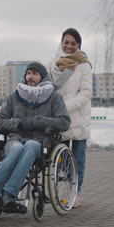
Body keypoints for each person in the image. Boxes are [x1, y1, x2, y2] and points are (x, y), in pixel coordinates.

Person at [0, 62, 71, 213]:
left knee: (30, 145)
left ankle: (9, 194)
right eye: (28, 73)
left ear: (42, 77)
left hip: (40, 142)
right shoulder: (15, 96)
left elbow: (64, 122)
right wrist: (19, 124)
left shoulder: (54, 97)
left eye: (35, 73)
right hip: (16, 139)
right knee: (16, 148)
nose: (31, 76)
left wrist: (37, 123)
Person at [47, 28, 92, 208]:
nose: (69, 46)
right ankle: (62, 191)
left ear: (79, 45)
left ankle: (76, 192)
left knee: (78, 160)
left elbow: (86, 93)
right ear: (61, 42)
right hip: (60, 120)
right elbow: (48, 86)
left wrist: (65, 107)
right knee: (60, 160)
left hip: (79, 118)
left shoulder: (84, 65)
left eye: (73, 43)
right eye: (66, 42)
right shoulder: (53, 64)